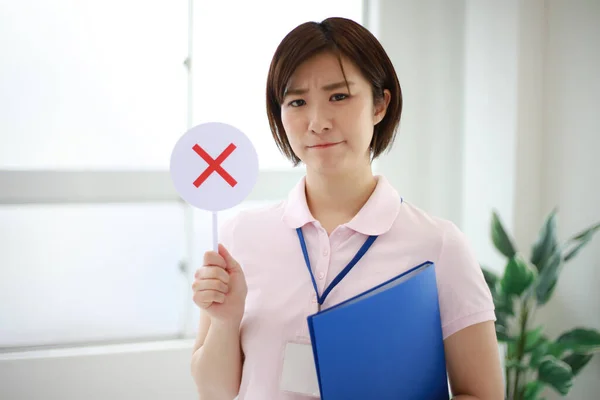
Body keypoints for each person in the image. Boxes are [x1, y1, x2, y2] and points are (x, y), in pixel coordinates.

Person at [190, 17, 504, 400]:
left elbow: (483, 394)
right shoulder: (241, 235)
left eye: (339, 96)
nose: (318, 122)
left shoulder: (439, 245)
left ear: (380, 104)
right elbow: (214, 393)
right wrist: (226, 320)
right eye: (297, 102)